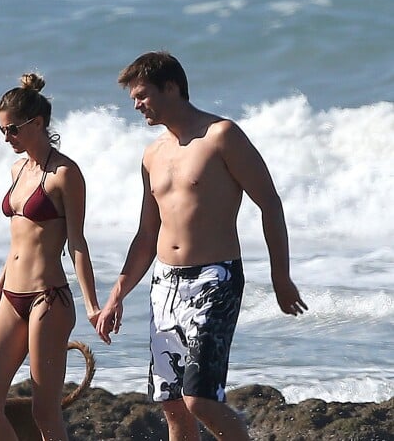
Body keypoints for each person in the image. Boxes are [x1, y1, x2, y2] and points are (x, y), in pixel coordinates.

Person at [96, 51, 307, 441]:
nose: (137, 105)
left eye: (142, 95)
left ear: (171, 87)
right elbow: (146, 234)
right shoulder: (152, 153)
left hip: (214, 278)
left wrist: (281, 276)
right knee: (172, 404)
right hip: (164, 284)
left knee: (199, 398)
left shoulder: (221, 136)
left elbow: (270, 203)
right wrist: (116, 295)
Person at [0, 73, 101, 441]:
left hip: (49, 300)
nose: (6, 138)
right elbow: (18, 244)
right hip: (10, 300)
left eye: (12, 129)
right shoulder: (17, 170)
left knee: (44, 412)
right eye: (2, 131)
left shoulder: (65, 174)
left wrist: (92, 304)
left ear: (38, 123)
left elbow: (77, 243)